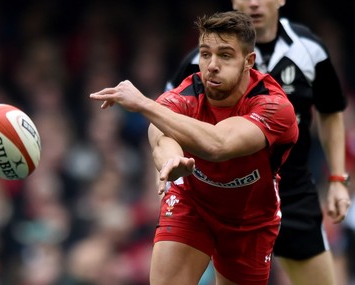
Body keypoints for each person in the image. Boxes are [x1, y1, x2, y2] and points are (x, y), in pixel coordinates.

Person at [90, 11, 299, 285]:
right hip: (193, 204)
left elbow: (218, 144)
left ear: (249, 61)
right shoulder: (184, 96)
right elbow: (160, 136)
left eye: (225, 55)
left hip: (250, 219)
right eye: (205, 54)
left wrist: (143, 103)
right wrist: (172, 160)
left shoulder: (273, 106)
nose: (211, 65)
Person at [165, 1, 352, 285]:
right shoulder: (203, 59)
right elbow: (167, 119)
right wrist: (168, 163)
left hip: (293, 192)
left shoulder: (310, 50)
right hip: (223, 196)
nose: (253, 2)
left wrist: (337, 178)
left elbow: (330, 113)